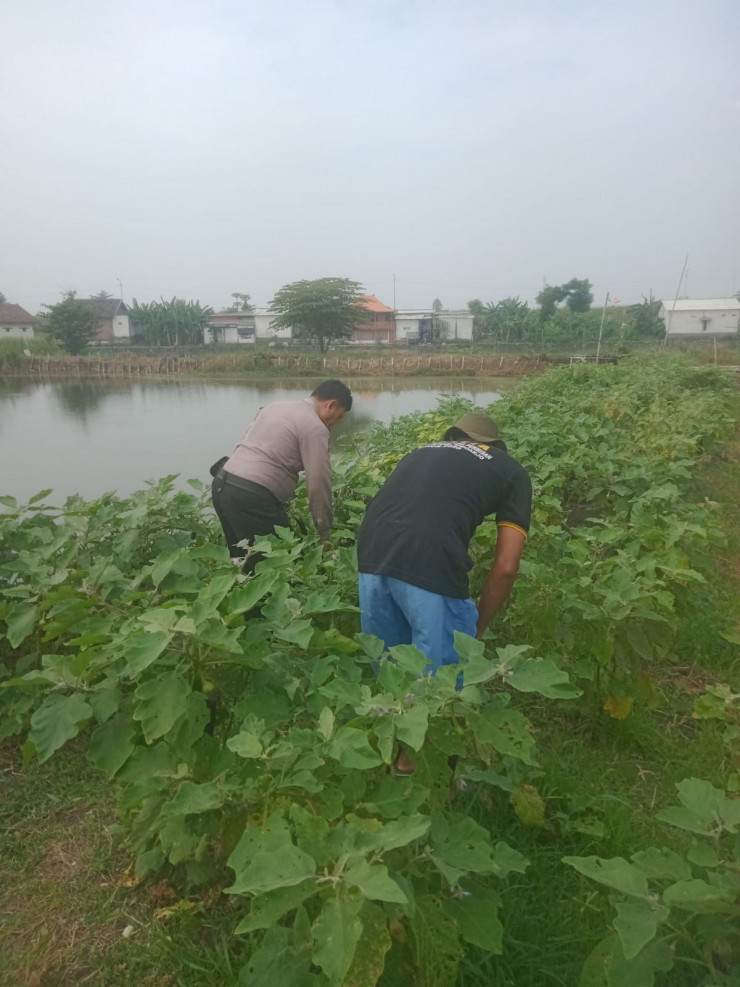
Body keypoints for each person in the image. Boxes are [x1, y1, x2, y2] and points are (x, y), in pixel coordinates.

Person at [357, 409, 531, 681]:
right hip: (428, 556)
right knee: (442, 683)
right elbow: (507, 566)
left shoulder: (419, 452)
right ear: (496, 447)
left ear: (451, 437)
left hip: (370, 550)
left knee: (389, 670)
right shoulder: (510, 470)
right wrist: (477, 628)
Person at [212, 380, 352, 567]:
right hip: (252, 496)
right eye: (338, 417)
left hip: (222, 485)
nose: (335, 423)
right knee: (281, 563)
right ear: (331, 405)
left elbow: (243, 443)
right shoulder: (315, 426)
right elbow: (318, 482)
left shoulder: (274, 407)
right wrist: (324, 533)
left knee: (242, 561)